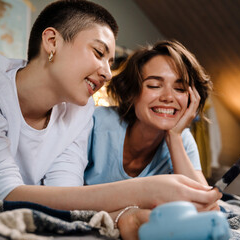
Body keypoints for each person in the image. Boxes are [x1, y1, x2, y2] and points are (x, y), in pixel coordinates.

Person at [0, 0, 221, 238]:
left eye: (110, 62)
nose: (107, 73)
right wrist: (142, 190)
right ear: (52, 41)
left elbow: (66, 198)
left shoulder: (79, 110)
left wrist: (127, 215)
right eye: (98, 53)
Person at [86, 40, 212, 190]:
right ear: (131, 92)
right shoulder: (94, 123)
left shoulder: (182, 139)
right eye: (154, 86)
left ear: (192, 99)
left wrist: (174, 138)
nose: (168, 97)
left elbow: (205, 204)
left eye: (179, 88)